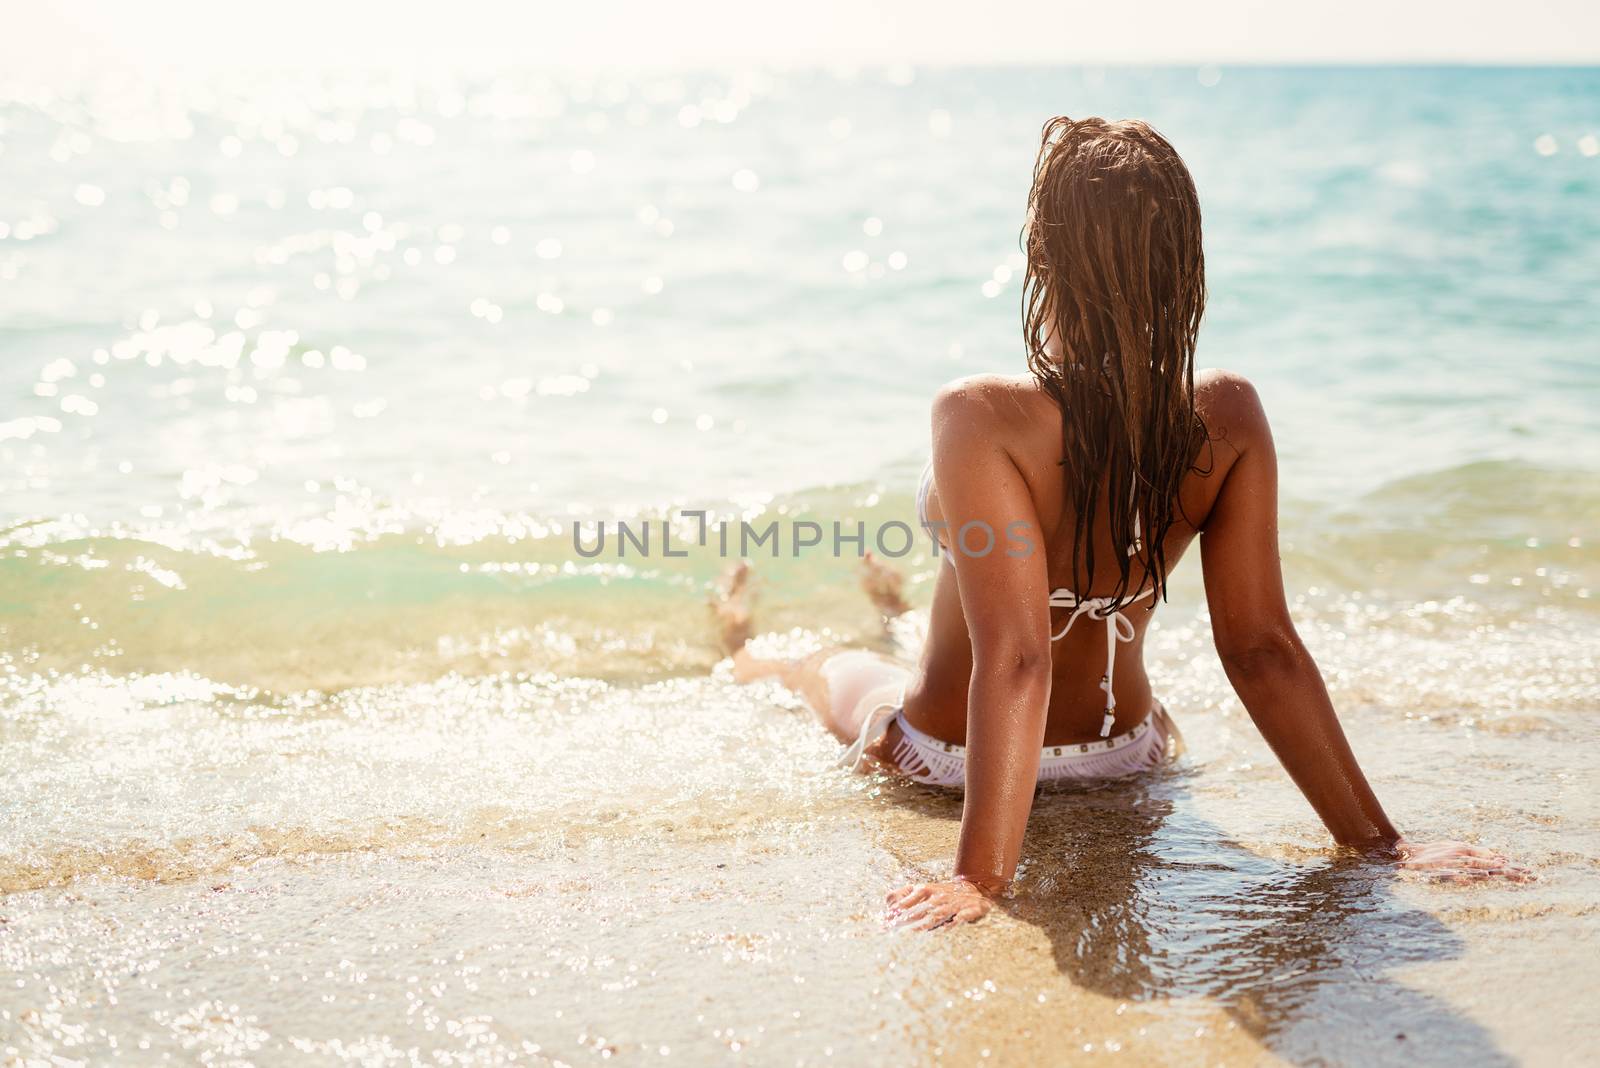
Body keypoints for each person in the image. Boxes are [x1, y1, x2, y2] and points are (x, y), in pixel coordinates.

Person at [716, 116, 1531, 931]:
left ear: (1041, 257)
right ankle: (893, 608)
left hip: (952, 762)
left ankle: (742, 639)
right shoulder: (1229, 414)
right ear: (1185, 267)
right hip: (1127, 755)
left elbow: (1020, 656)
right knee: (931, 628)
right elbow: (1261, 649)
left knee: (816, 665)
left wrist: (980, 880)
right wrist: (1378, 845)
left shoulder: (979, 416)